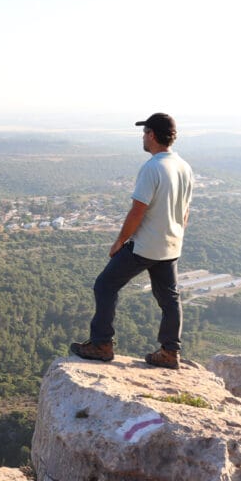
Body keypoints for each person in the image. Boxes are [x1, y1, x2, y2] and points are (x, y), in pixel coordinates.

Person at [71, 113, 194, 369]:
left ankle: (102, 344)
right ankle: (170, 352)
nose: (143, 137)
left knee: (105, 285)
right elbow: (185, 211)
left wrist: (120, 241)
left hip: (145, 245)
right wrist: (174, 233)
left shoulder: (153, 167)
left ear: (151, 135)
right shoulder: (183, 166)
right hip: (171, 244)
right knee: (170, 299)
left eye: (144, 132)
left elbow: (138, 210)